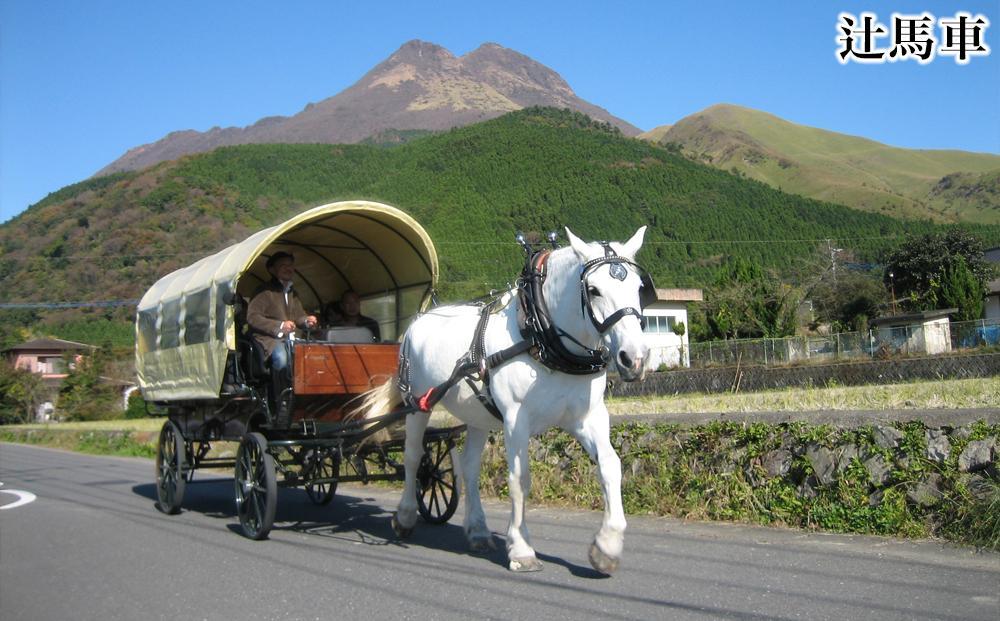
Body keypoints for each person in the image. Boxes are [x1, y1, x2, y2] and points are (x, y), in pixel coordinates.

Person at [246, 251, 317, 419]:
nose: (289, 269)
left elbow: (298, 316)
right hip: (268, 339)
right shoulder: (264, 291)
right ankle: (281, 402)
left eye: (290, 265)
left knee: (315, 358)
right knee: (281, 359)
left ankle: (308, 403)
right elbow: (252, 317)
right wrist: (279, 326)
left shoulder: (293, 292)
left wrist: (307, 320)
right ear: (272, 269)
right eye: (283, 265)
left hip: (291, 339)